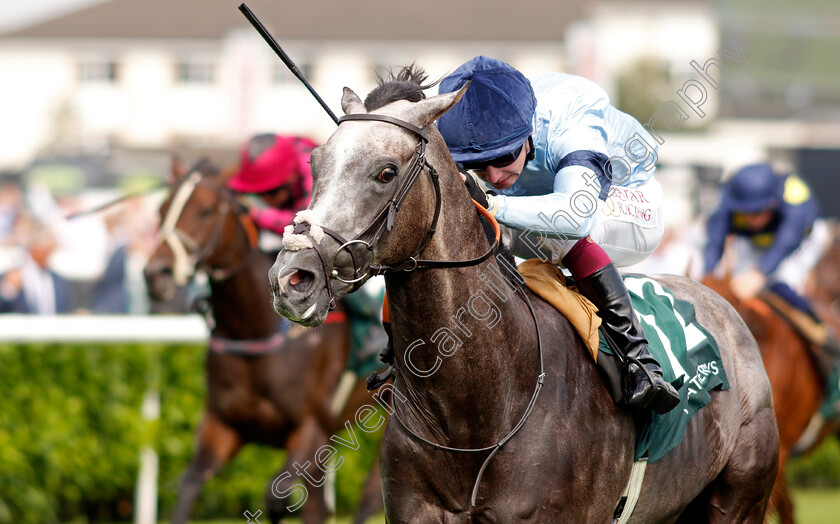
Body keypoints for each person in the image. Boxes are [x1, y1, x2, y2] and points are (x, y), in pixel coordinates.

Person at [435, 55, 679, 414]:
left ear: (528, 132)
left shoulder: (571, 113)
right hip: (549, 202)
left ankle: (639, 360)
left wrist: (492, 203)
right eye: (476, 165)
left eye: (502, 157)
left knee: (553, 227)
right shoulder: (482, 128)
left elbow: (576, 215)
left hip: (626, 201)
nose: (493, 174)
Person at [228, 133, 386, 374]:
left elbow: (307, 224)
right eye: (259, 195)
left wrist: (257, 215)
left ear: (289, 179)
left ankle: (373, 331)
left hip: (353, 228)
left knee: (339, 264)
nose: (265, 201)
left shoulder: (312, 171)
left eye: (270, 194)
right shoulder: (284, 163)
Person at [704, 162, 829, 317]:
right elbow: (714, 242)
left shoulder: (794, 191)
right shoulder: (728, 197)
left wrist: (759, 273)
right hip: (756, 240)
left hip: (803, 238)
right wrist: (707, 276)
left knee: (782, 284)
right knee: (737, 286)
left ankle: (820, 331)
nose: (752, 219)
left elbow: (788, 239)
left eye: (758, 211)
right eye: (746, 212)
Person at [0, 218, 73, 314]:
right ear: (35, 247)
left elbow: (67, 310)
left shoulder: (58, 281)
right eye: (46, 248)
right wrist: (9, 289)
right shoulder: (11, 277)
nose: (49, 254)